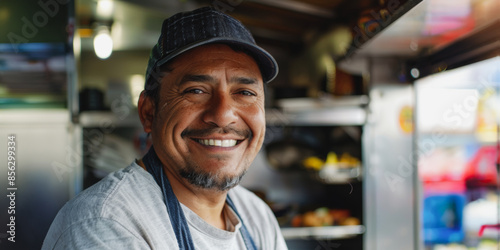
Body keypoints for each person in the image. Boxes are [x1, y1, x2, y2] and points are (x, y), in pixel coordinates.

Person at [42, 6, 288, 250]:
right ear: (148, 112)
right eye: (196, 91)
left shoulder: (256, 217)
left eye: (245, 92)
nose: (223, 116)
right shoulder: (104, 223)